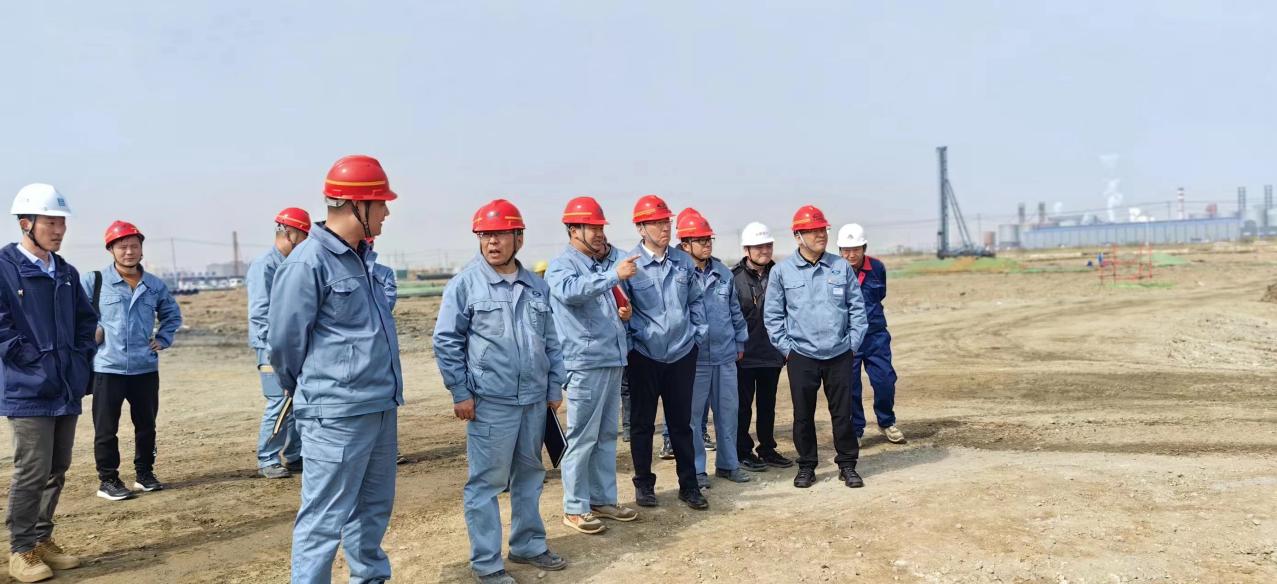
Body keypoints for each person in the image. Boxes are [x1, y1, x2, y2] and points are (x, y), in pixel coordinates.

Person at [269, 155, 403, 583]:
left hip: (379, 405)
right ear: (355, 205)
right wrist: (318, 389)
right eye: (381, 203)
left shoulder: (364, 260)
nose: (386, 212)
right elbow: (285, 344)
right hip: (336, 413)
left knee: (373, 510)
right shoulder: (307, 263)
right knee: (324, 518)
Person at [434, 199, 569, 584]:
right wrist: (460, 392)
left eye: (500, 235)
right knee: (486, 484)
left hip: (533, 402)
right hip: (490, 403)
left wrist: (553, 385)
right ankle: (487, 563)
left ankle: (528, 544)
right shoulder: (465, 285)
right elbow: (446, 342)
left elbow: (552, 341)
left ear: (518, 239)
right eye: (485, 235)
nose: (492, 242)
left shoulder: (536, 286)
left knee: (530, 475)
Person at [1, 184, 96, 582]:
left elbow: (86, 322)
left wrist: (79, 360)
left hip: (64, 387)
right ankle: (20, 549)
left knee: (57, 467)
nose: (59, 230)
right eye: (50, 222)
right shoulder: (5, 269)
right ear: (26, 223)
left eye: (62, 223)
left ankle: (41, 540)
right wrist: (31, 358)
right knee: (32, 469)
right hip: (28, 388)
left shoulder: (66, 273)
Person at [545, 196, 638, 535]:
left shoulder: (598, 266)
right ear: (573, 230)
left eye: (600, 227)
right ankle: (574, 507)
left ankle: (602, 499)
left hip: (611, 358)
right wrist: (614, 275)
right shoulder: (562, 266)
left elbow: (601, 303)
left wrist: (623, 313)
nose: (599, 233)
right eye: (592, 227)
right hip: (584, 363)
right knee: (582, 437)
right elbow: (571, 292)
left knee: (606, 435)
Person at [764, 205, 869, 489]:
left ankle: (847, 465)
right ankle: (807, 466)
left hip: (839, 354)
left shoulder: (840, 267)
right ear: (798, 236)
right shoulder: (782, 272)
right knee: (803, 415)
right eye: (813, 231)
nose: (821, 235)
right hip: (802, 355)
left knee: (843, 414)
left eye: (823, 229)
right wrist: (788, 350)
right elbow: (772, 317)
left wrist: (851, 345)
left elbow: (857, 310)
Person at [82, 221, 182, 501]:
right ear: (111, 249)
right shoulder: (94, 281)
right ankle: (108, 480)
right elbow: (76, 315)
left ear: (141, 249)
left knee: (146, 426)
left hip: (144, 368)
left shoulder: (154, 285)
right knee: (106, 429)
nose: (129, 252)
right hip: (108, 367)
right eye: (122, 246)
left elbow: (172, 315)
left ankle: (145, 474)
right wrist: (93, 333)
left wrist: (163, 338)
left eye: (134, 246)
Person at [620, 194, 709, 510]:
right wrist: (633, 345)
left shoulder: (683, 261)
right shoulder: (630, 266)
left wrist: (697, 335)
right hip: (644, 355)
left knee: (682, 424)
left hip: (682, 353)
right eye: (656, 223)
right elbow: (622, 310)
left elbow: (696, 300)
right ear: (641, 227)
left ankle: (689, 486)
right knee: (642, 425)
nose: (664, 228)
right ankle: (644, 485)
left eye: (666, 221)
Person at [674, 209, 750, 488]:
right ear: (685, 244)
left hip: (725, 354)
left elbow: (735, 311)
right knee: (693, 418)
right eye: (701, 240)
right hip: (693, 359)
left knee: (728, 413)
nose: (707, 244)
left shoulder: (723, 272)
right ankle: (697, 471)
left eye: (709, 239)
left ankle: (728, 464)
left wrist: (739, 341)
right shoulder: (678, 273)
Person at [246, 208, 310, 479]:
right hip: (271, 346)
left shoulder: (291, 263)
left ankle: (295, 455)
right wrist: (273, 349)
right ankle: (268, 459)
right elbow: (260, 312)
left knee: (295, 400)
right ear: (289, 233)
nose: (307, 242)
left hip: (292, 344)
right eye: (304, 236)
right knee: (279, 401)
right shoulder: (266, 265)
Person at [836, 224, 905, 445]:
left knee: (885, 380)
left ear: (864, 248)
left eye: (856, 249)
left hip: (876, 336)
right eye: (846, 250)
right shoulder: (834, 271)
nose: (851, 255)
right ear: (840, 250)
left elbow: (880, 294)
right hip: (848, 338)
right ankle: (856, 430)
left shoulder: (877, 267)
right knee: (851, 386)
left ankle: (886, 422)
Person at [732, 222, 792, 472]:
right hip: (743, 355)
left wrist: (786, 348)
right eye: (758, 246)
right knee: (742, 407)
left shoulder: (781, 274)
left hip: (772, 352)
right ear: (746, 249)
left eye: (768, 245)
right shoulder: (733, 278)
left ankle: (767, 448)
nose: (765, 250)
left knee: (768, 405)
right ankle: (742, 451)